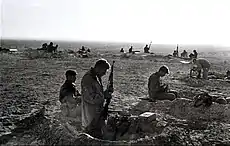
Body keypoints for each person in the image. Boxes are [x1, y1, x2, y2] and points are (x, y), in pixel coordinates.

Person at [81, 58, 112, 139]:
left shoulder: (96, 77)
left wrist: (106, 92)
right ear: (98, 68)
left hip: (97, 113)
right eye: (104, 71)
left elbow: (97, 93)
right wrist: (104, 96)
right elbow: (91, 98)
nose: (104, 73)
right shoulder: (88, 79)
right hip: (91, 114)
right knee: (92, 136)